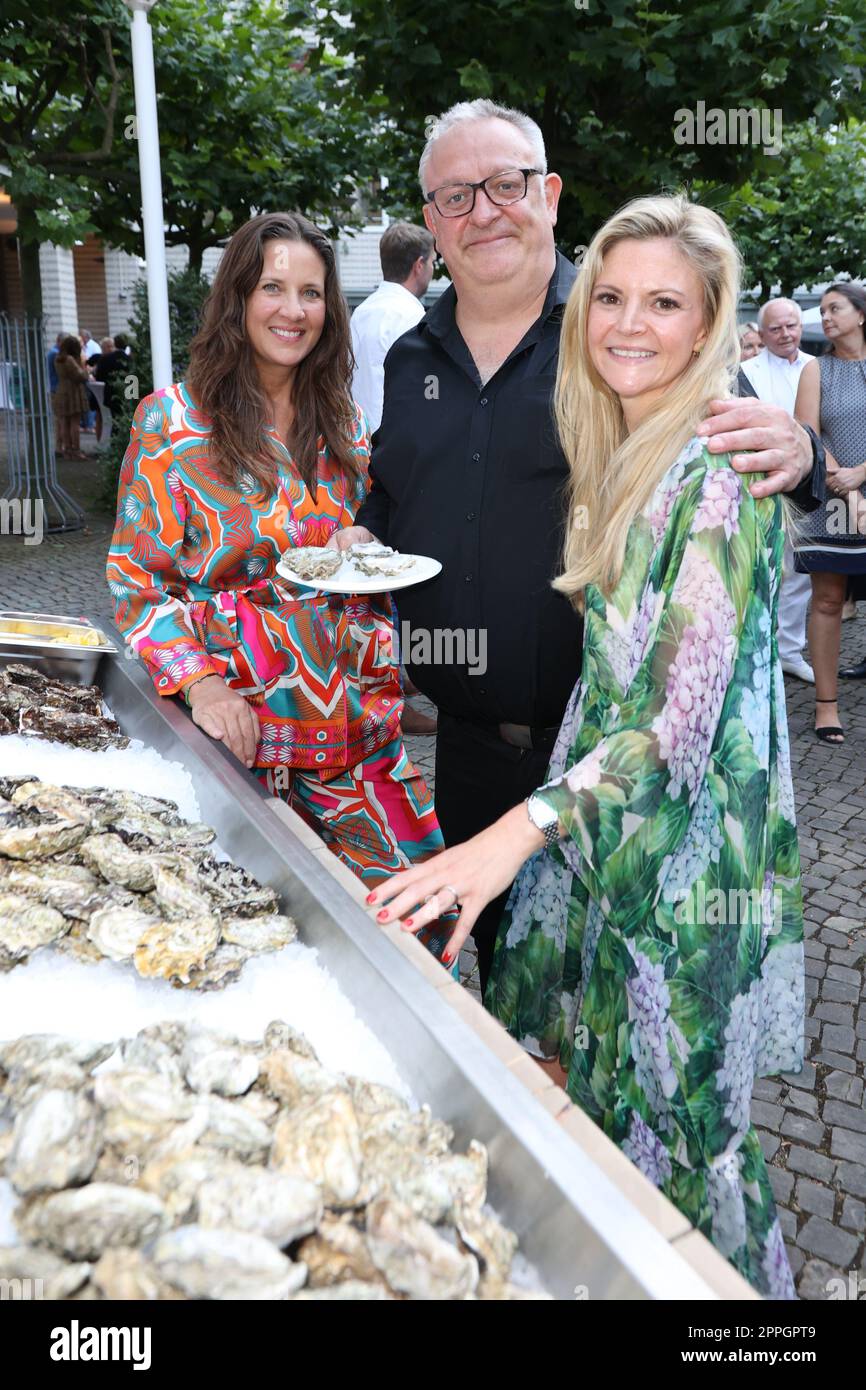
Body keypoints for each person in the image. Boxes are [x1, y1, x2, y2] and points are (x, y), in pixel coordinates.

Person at [370, 194, 804, 1299]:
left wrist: (506, 840)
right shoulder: (622, 436)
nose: (623, 322)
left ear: (710, 322)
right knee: (597, 1136)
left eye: (662, 303)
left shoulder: (715, 471)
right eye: (608, 296)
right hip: (600, 851)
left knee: (687, 1186)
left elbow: (671, 728)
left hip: (681, 873)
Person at [338, 99, 823, 991]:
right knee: (515, 1008)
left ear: (550, 194)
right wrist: (361, 533)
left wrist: (806, 454)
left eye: (506, 184)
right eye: (453, 196)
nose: (483, 210)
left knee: (619, 1017)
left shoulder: (617, 328)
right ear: (431, 225)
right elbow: (396, 487)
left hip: (606, 756)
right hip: (472, 750)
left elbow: (734, 443)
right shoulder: (412, 358)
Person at [106, 212, 457, 971]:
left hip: (360, 737)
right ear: (238, 297)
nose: (292, 311)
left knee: (426, 938)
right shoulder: (173, 423)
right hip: (248, 747)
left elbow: (369, 553)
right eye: (272, 288)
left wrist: (365, 544)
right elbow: (137, 582)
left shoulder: (344, 424)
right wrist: (200, 687)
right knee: (284, 956)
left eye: (311, 293)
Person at [794, 282, 866, 730]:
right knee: (827, 599)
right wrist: (853, 491)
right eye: (822, 310)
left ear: (861, 314)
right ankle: (826, 706)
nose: (825, 317)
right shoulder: (816, 370)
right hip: (832, 504)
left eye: (834, 308)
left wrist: (863, 473)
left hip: (857, 482)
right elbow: (810, 434)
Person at [742, 299, 815, 683]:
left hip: (805, 484)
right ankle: (759, 647)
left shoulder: (813, 367)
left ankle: (789, 649)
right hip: (760, 482)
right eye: (776, 329)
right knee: (762, 567)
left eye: (792, 326)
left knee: (800, 574)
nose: (786, 335)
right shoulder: (745, 371)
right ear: (763, 331)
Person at [350, 222, 435, 432]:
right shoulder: (414, 319)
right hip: (397, 444)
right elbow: (427, 393)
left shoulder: (360, 313)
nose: (433, 269)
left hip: (358, 441)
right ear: (419, 265)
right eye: (433, 262)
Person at [54, 335, 89, 460]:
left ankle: (67, 450)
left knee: (64, 423)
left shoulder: (58, 359)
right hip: (73, 393)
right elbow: (80, 376)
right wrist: (86, 369)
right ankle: (76, 450)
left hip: (61, 391)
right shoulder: (70, 360)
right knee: (74, 423)